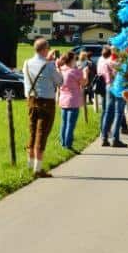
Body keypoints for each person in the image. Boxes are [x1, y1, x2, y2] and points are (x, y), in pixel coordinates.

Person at [22, 38, 63, 178]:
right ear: (45, 49)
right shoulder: (50, 65)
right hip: (46, 102)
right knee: (42, 134)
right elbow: (60, 81)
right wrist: (55, 65)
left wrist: (49, 61)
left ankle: (30, 165)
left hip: (31, 100)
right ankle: (38, 169)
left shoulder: (26, 63)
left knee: (32, 132)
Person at [57, 51, 84, 150]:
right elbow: (84, 83)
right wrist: (84, 72)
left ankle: (63, 143)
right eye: (75, 59)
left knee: (63, 123)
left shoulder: (61, 70)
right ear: (72, 60)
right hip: (73, 100)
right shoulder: (75, 72)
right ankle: (68, 144)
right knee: (70, 123)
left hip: (63, 99)